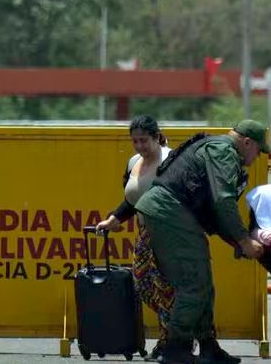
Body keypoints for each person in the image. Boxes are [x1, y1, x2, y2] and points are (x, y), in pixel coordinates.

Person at [134, 119, 269, 364]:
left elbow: (215, 212)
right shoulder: (224, 152)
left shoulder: (217, 148)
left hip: (171, 213)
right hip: (170, 213)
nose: (258, 156)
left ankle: (208, 348)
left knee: (203, 284)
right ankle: (176, 350)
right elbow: (224, 202)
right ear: (247, 143)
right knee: (193, 286)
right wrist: (243, 239)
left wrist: (239, 241)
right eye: (259, 150)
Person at [95, 115, 173, 360]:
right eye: (135, 141)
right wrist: (113, 219)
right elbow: (132, 200)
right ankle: (174, 335)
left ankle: (169, 344)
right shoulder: (133, 162)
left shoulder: (172, 161)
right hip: (145, 234)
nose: (139, 146)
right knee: (143, 285)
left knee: (167, 289)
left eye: (144, 141)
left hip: (172, 234)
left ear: (156, 137)